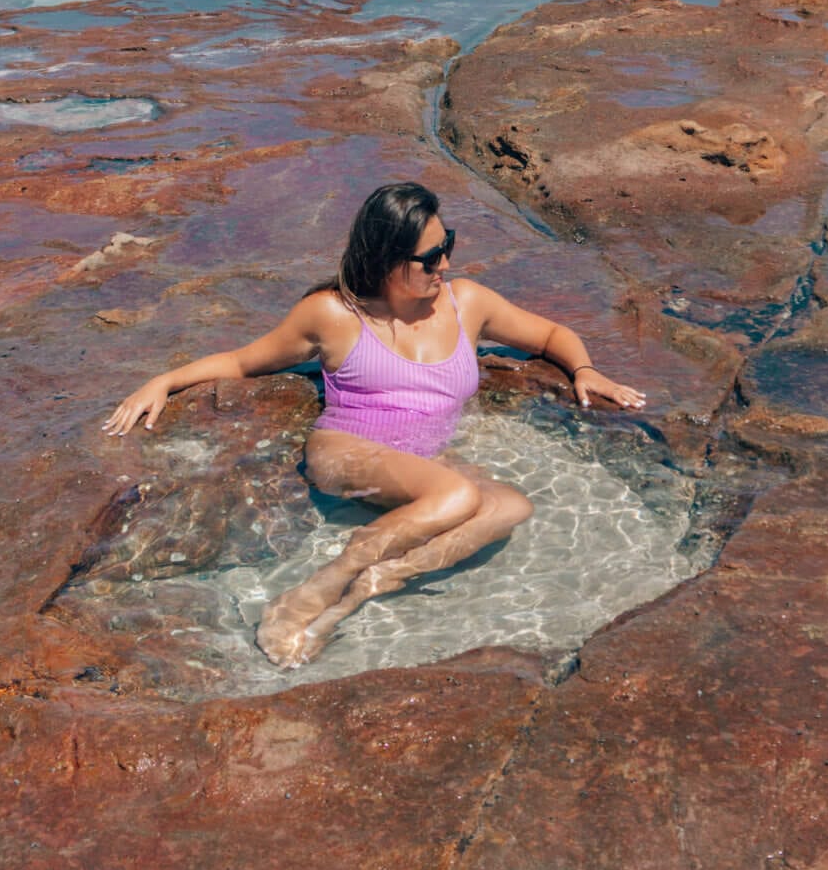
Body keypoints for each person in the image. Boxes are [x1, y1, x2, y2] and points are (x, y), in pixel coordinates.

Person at [104, 180, 647, 667]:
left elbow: (551, 335)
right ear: (387, 260)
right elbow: (246, 361)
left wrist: (585, 369)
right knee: (459, 496)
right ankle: (321, 587)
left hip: (423, 463)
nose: (445, 265)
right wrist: (165, 381)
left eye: (447, 246)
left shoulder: (467, 303)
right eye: (430, 257)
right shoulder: (334, 314)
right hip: (348, 450)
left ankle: (368, 587)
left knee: (511, 506)